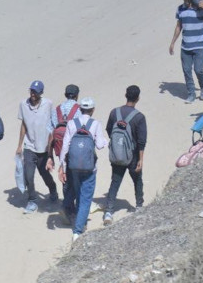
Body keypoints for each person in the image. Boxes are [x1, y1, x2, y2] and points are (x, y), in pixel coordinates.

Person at [58, 97, 109, 242]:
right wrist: (105, 141)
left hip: (73, 166)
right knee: (86, 197)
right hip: (89, 167)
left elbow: (65, 146)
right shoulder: (95, 124)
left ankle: (77, 218)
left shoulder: (72, 124)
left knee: (78, 192)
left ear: (80, 109)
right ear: (92, 110)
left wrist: (62, 166)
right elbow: (99, 145)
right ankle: (78, 230)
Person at [103, 86, 147, 225]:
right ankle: (139, 206)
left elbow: (109, 130)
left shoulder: (114, 112)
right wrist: (140, 159)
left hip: (117, 155)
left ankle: (108, 212)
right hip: (133, 155)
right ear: (138, 98)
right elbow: (141, 141)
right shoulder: (139, 117)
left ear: (125, 95)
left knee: (115, 182)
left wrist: (118, 145)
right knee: (137, 181)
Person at [16, 80, 56, 214]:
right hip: (29, 146)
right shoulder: (23, 104)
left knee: (45, 174)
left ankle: (53, 190)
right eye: (31, 91)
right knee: (28, 175)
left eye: (36, 92)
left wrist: (51, 147)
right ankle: (32, 200)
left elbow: (53, 125)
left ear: (41, 93)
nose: (33, 94)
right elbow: (23, 125)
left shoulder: (48, 104)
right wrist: (19, 145)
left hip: (44, 147)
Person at [46, 84, 80, 225]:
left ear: (65, 94)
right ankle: (71, 209)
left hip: (60, 151)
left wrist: (50, 156)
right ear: (77, 95)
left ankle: (69, 210)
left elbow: (51, 134)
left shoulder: (57, 110)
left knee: (65, 179)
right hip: (75, 151)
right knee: (77, 180)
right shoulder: (79, 109)